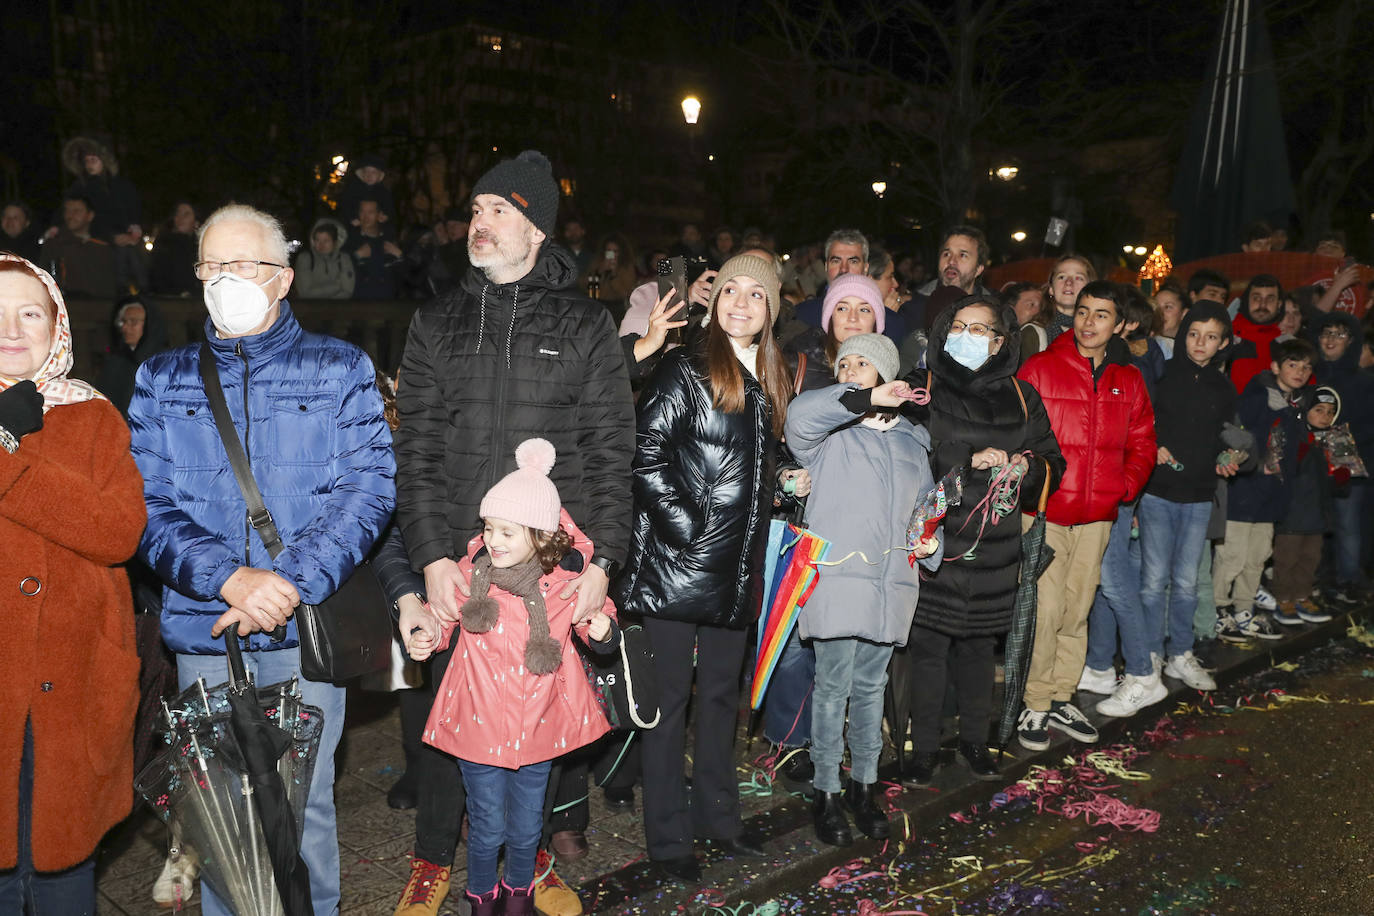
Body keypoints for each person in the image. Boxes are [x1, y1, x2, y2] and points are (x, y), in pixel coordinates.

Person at [128, 204, 396, 916]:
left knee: (304, 815)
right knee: (226, 830)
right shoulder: (162, 377)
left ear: (282, 278)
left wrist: (286, 582)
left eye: (244, 264)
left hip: (303, 631)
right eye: (212, 265)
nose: (226, 280)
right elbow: (144, 507)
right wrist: (229, 578)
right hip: (205, 633)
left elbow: (367, 489)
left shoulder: (340, 368)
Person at [393, 149, 633, 916]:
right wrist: (430, 554)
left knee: (540, 706)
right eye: (475, 210)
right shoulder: (437, 320)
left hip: (551, 561)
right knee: (445, 715)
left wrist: (601, 561)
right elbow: (417, 449)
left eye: (499, 210)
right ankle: (436, 858)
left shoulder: (587, 324)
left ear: (536, 228)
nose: (480, 222)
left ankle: (525, 862)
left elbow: (609, 451)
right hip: (463, 557)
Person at [613, 253, 791, 884]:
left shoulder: (770, 377)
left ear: (771, 310)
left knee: (721, 698)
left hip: (736, 569)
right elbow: (647, 461)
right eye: (730, 291)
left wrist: (778, 481)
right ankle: (667, 838)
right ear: (714, 303)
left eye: (756, 295)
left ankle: (720, 819)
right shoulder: (684, 367)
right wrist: (695, 533)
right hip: (676, 564)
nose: (740, 304)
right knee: (667, 706)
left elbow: (740, 467)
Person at [403, 439, 620, 916]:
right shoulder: (471, 576)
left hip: (538, 728)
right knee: (486, 827)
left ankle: (518, 897)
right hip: (477, 726)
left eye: (506, 531)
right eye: (488, 528)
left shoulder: (564, 586)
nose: (492, 540)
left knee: (525, 830)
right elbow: (442, 622)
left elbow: (596, 622)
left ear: (540, 536)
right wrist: (428, 637)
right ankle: (481, 899)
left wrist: (603, 628)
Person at [0, 255, 146, 913]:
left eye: (30, 312)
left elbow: (119, 532)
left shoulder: (93, 415)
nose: (12, 328)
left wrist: (9, 461)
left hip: (77, 674)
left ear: (56, 323)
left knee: (64, 865)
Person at [898, 293, 1063, 787]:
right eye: (959, 326)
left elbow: (1053, 460)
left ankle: (976, 740)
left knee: (977, 651)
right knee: (928, 650)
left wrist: (1027, 467)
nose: (966, 337)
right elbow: (904, 456)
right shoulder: (923, 386)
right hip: (936, 543)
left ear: (998, 341)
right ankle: (924, 746)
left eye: (980, 330)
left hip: (996, 544)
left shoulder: (1021, 395)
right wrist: (966, 460)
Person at [784, 333, 941, 846]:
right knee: (832, 688)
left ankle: (864, 785)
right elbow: (799, 417)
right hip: (839, 577)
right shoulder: (829, 434)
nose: (850, 369)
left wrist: (928, 545)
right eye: (844, 363)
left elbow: (923, 510)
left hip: (890, 583)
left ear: (887, 374)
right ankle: (826, 790)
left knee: (871, 688)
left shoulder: (913, 442)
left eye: (863, 364)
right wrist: (859, 398)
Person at [1016, 281, 1155, 751]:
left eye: (1101, 315)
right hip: (1046, 513)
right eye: (1083, 312)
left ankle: (1060, 695)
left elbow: (1143, 441)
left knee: (1077, 611)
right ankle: (1034, 704)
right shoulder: (1040, 368)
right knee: (1046, 609)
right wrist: (1033, 486)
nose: (1089, 322)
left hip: (1098, 517)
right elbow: (1019, 436)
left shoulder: (1129, 379)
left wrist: (1123, 488)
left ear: (1119, 324)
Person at [1099, 302, 1245, 712]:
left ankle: (1181, 653)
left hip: (1200, 495)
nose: (1202, 343)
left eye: (1211, 337)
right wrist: (1153, 445)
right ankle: (1149, 656)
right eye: (1194, 334)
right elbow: (1141, 423)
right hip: (1159, 492)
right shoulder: (1161, 377)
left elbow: (1229, 436)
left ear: (1223, 343)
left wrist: (1231, 456)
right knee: (1152, 580)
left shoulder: (1223, 387)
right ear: (1182, 335)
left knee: (1185, 582)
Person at [1213, 338, 1316, 643]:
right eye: (1292, 365)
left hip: (1271, 495)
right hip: (1244, 491)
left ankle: (1244, 608)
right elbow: (1239, 438)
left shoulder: (1296, 406)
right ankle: (1218, 608)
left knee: (1257, 556)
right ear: (1275, 367)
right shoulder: (1258, 396)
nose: (1300, 371)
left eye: (1306, 367)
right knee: (1231, 555)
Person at [1309, 311, 1374, 606]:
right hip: (1310, 465)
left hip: (1351, 464)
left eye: (1339, 334)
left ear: (1352, 341)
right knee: (1313, 523)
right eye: (1325, 333)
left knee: (1348, 524)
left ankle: (1350, 580)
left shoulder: (1364, 381)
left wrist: (1345, 439)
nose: (1331, 340)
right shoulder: (1308, 375)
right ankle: (1316, 581)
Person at [1270, 388, 1344, 625]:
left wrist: (1341, 472)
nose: (1325, 416)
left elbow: (1338, 488)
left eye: (1331, 412)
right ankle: (1283, 599)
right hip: (1291, 515)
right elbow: (1283, 470)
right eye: (1319, 410)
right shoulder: (1295, 437)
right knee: (1286, 559)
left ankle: (1303, 596)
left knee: (1310, 559)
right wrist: (1305, 451)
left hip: (1317, 516)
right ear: (1305, 411)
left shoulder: (1333, 441)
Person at [785, 272, 887, 392]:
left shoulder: (886, 368)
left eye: (864, 309)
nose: (853, 317)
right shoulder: (798, 365)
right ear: (830, 317)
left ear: (876, 320)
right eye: (843, 308)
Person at [905, 226, 995, 334]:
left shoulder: (995, 312)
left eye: (962, 255)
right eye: (946, 254)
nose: (951, 261)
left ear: (978, 269)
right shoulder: (914, 306)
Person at [96, 294, 169, 416]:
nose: (125, 327)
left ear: (149, 325)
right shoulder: (114, 363)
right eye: (123, 322)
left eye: (133, 322)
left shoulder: (164, 363)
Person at [45, 196, 119, 299]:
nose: (70, 215)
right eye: (67, 211)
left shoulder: (102, 247)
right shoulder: (54, 245)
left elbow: (111, 285)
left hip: (100, 307)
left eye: (77, 211)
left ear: (90, 215)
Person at [1228, 274, 1285, 392]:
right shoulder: (1226, 338)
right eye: (1256, 298)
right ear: (1246, 301)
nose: (1262, 305)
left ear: (1279, 304)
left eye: (1270, 299)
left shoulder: (1288, 345)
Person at [347, 197, 402, 299]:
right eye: (362, 212)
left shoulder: (390, 241)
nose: (365, 217)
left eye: (370, 212)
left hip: (388, 303)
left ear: (380, 215)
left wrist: (400, 255)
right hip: (358, 303)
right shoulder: (350, 241)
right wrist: (356, 256)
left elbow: (405, 276)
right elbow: (339, 271)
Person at [293, 218, 356, 300]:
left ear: (335, 242)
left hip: (339, 309)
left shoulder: (344, 259)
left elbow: (348, 290)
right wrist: (337, 285)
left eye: (326, 241)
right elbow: (305, 292)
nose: (321, 245)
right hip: (310, 309)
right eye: (317, 240)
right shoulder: (305, 259)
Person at [147, 201, 201, 297]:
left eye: (186, 214)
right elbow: (156, 277)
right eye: (178, 214)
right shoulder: (164, 242)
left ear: (196, 222)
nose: (180, 218)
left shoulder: (200, 246)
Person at [1043, 253, 1095, 343]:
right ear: (1051, 289)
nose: (1069, 282)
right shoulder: (1034, 332)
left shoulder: (1100, 332)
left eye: (1078, 278)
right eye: (1062, 277)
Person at [1004, 281, 1050, 361]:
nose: (1038, 311)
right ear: (1010, 310)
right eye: (1031, 305)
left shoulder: (1034, 331)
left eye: (1041, 306)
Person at [1152, 277, 1188, 358]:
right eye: (1156, 307)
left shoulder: (1191, 348)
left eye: (1168, 307)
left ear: (1184, 313)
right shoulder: (1146, 345)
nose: (1160, 313)